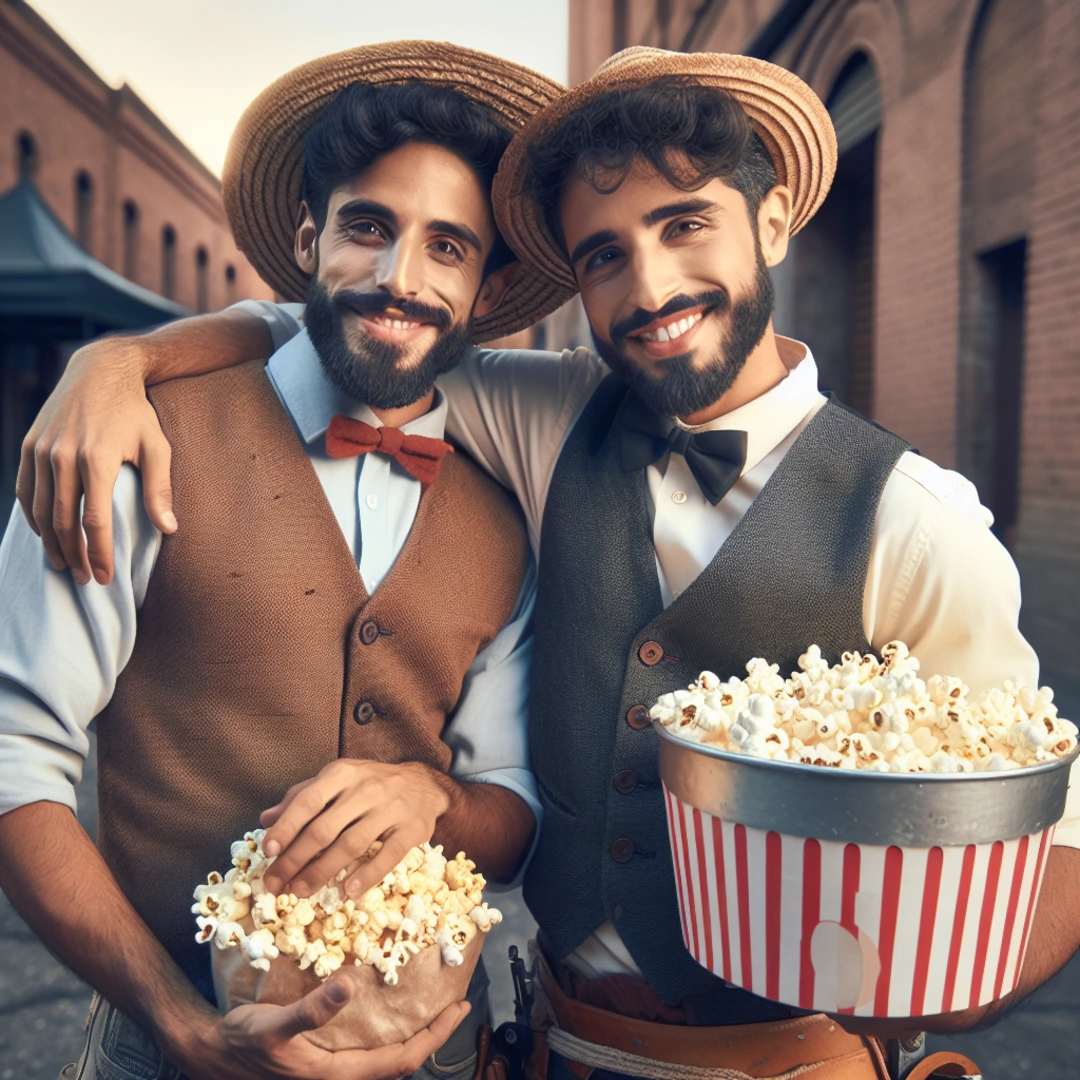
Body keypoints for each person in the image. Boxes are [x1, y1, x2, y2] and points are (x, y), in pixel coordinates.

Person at [16, 48, 1080, 1080]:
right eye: (605, 255)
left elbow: (1053, 821)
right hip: (555, 1035)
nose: (651, 287)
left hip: (787, 1054)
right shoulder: (553, 415)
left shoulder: (916, 519)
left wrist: (948, 993)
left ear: (771, 223)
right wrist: (119, 363)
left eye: (685, 226)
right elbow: (340, 331)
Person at [0, 42, 568, 1080]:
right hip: (164, 1048)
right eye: (367, 228)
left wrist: (433, 798)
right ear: (309, 238)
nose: (400, 279)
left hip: (436, 1051)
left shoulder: (508, 511)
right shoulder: (131, 441)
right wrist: (179, 1022)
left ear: (487, 287)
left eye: (448, 247)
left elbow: (513, 806)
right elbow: (11, 759)